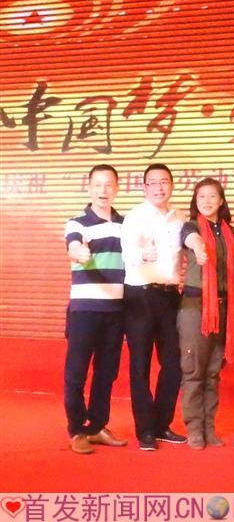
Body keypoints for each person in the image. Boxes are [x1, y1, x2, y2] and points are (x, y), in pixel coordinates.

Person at [121, 163, 186, 451]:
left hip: (170, 296)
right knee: (140, 365)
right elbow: (127, 253)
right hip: (140, 296)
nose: (159, 187)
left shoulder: (179, 217)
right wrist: (142, 253)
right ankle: (145, 430)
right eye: (153, 182)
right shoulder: (135, 217)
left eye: (164, 182)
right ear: (144, 187)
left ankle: (161, 424)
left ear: (171, 185)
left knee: (173, 363)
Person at [63, 164, 127, 454]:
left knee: (106, 373)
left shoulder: (126, 225)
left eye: (109, 184)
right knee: (76, 372)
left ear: (117, 188)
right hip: (85, 309)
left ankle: (97, 426)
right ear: (89, 188)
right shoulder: (77, 223)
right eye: (98, 185)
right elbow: (73, 246)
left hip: (116, 310)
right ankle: (77, 430)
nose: (103, 190)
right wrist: (79, 252)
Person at [177, 178, 234, 450]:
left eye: (212, 196)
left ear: (221, 200)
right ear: (195, 201)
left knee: (213, 372)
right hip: (195, 309)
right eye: (201, 196)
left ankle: (209, 428)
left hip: (224, 309)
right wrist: (199, 248)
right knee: (193, 371)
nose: (206, 201)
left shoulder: (229, 232)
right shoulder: (191, 227)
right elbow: (190, 238)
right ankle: (194, 429)